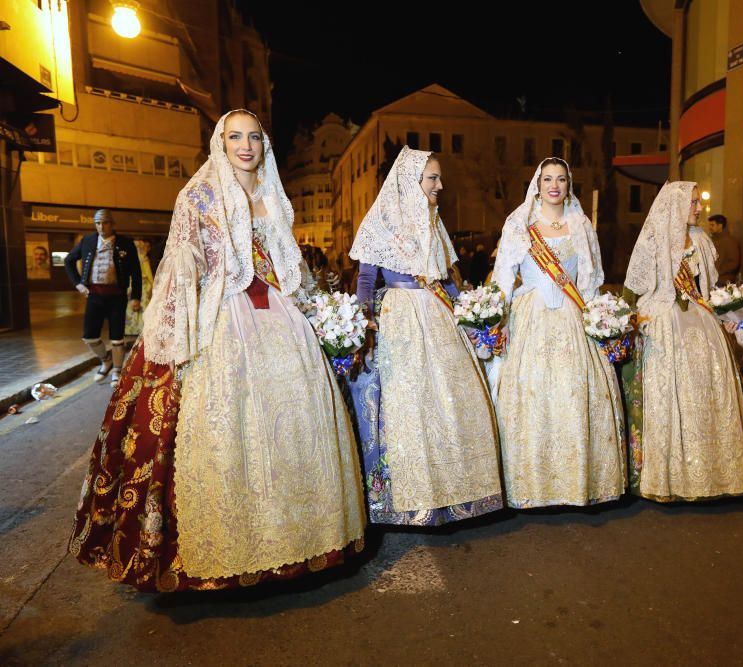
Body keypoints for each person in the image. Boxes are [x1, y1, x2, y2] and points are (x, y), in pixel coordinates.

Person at [69, 110, 366, 592]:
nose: (245, 145)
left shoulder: (273, 196)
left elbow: (288, 266)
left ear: (263, 145)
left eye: (253, 137)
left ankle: (300, 538)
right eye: (235, 137)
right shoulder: (200, 194)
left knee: (293, 423)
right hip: (225, 318)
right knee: (229, 425)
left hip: (280, 319)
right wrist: (177, 319)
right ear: (220, 143)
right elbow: (182, 261)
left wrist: (320, 310)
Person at [347, 146, 503, 526]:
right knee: (411, 404)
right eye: (433, 178)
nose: (440, 184)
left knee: (452, 400)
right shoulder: (380, 220)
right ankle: (415, 500)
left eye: (438, 177)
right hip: (400, 316)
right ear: (411, 180)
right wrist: (361, 319)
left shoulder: (435, 219)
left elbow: (447, 279)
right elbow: (367, 278)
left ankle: (460, 493)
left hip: (436, 315)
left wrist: (470, 313)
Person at [490, 157, 625, 508]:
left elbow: (591, 280)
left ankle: (573, 481)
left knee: (573, 392)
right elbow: (503, 279)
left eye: (561, 179)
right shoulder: (519, 225)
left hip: (571, 315)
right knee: (530, 393)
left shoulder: (581, 225)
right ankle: (529, 484)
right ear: (537, 183)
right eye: (547, 178)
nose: (554, 185)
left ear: (569, 184)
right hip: (529, 314)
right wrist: (493, 318)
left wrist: (598, 319)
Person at [622, 181, 743, 502]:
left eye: (698, 202)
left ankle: (712, 471)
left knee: (706, 390)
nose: (699, 208)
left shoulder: (700, 240)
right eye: (693, 203)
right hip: (663, 321)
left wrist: (730, 309)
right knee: (668, 393)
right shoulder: (653, 239)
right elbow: (633, 288)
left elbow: (707, 287)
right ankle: (669, 473)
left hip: (700, 321)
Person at [65, 209, 142, 386]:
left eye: (105, 223)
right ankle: (106, 360)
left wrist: (136, 296)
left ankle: (117, 369)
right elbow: (69, 260)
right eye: (98, 223)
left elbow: (136, 272)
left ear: (112, 224)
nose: (101, 226)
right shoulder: (88, 240)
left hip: (117, 296)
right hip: (94, 296)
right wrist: (78, 283)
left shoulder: (126, 243)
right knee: (89, 336)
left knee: (117, 337)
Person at [123, 239, 155, 344]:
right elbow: (148, 273)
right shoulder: (143, 258)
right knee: (144, 307)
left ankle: (130, 329)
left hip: (131, 285)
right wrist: (154, 284)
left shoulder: (129, 258)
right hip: (144, 286)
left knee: (130, 308)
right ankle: (142, 328)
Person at [707, 214, 741, 285]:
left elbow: (733, 263)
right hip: (713, 279)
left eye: (712, 225)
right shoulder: (712, 240)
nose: (710, 227)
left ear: (720, 226)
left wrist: (718, 271)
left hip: (723, 281)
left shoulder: (730, 241)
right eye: (710, 225)